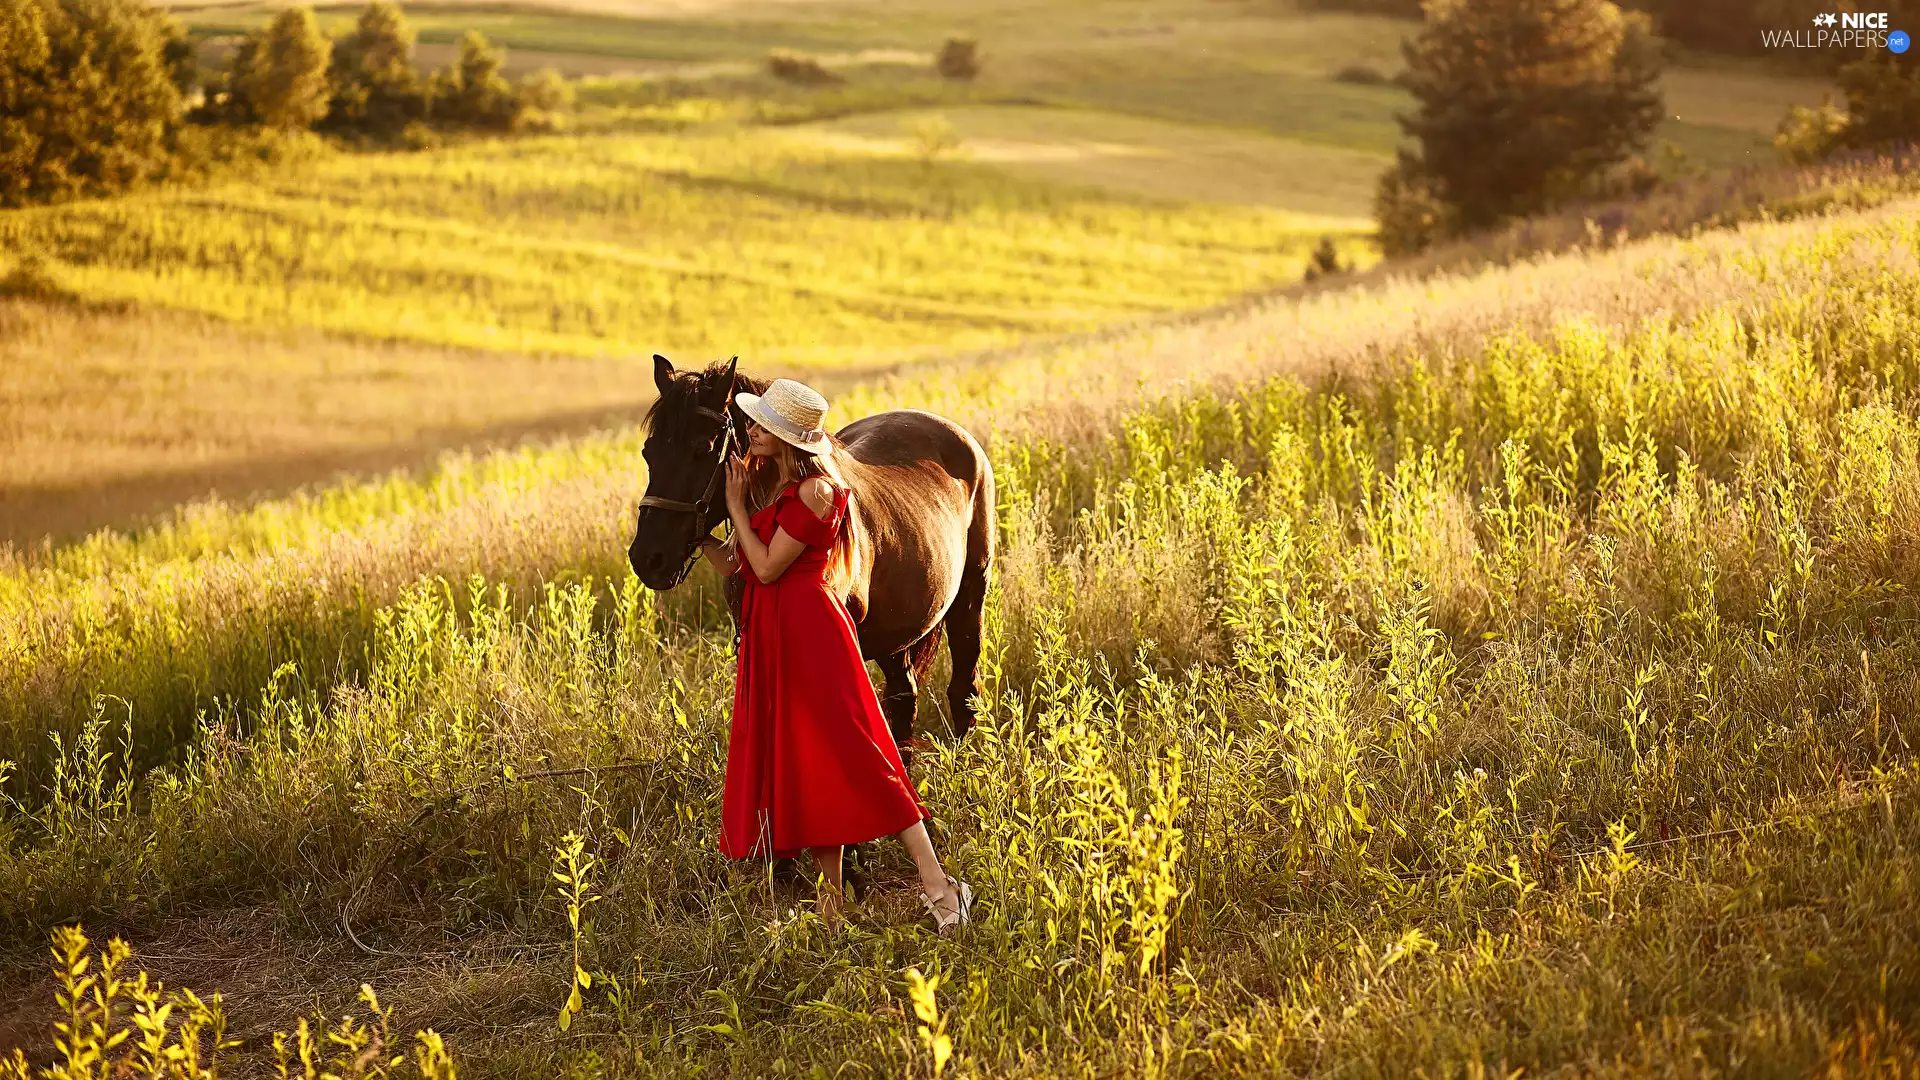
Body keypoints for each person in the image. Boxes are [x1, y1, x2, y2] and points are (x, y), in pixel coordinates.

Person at [696, 378, 972, 933]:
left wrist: (731, 505)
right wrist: (697, 532)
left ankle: (940, 884)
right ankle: (831, 902)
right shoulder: (774, 488)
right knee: (809, 762)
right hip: (779, 631)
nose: (750, 430)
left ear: (785, 437)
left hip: (814, 630)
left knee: (865, 755)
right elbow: (738, 565)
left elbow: (770, 567)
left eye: (761, 424)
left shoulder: (816, 492)